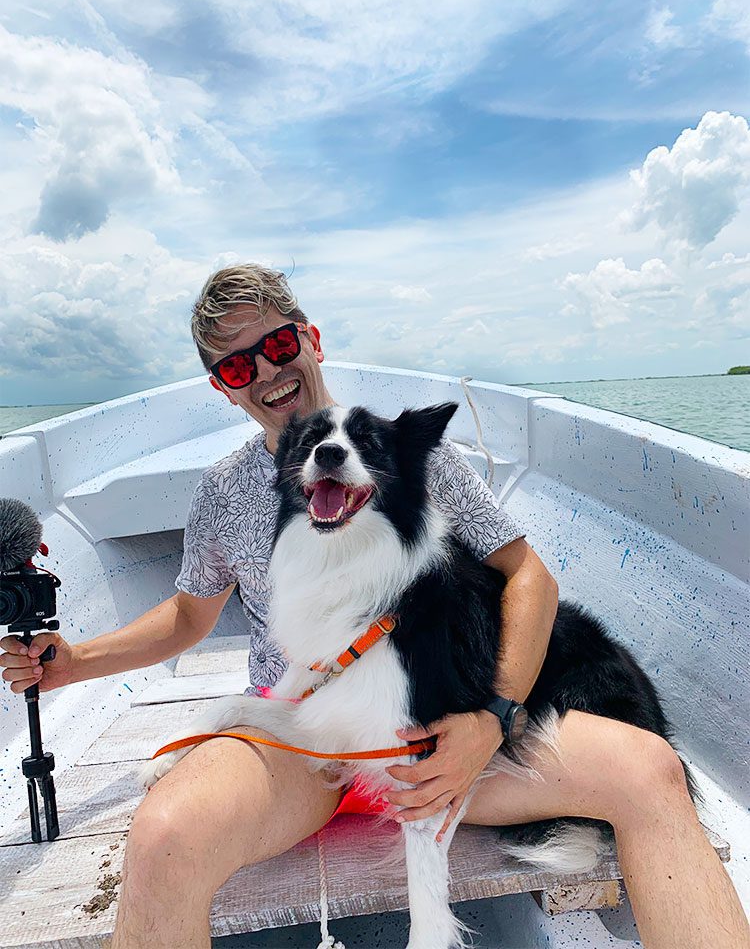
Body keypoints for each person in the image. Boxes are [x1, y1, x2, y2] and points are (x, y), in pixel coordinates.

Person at [2, 264, 748, 949]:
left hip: (441, 738)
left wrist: (494, 719)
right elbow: (190, 617)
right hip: (304, 738)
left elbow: (529, 577)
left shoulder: (409, 454)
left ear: (311, 339)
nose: (265, 370)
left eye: (277, 342)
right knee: (164, 835)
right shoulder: (224, 490)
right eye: (237, 365)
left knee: (650, 771)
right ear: (223, 389)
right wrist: (72, 665)